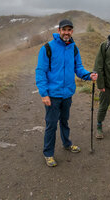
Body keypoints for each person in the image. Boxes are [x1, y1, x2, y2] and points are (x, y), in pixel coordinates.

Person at [35, 19, 98, 167]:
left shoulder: (73, 48)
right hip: (53, 95)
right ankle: (48, 153)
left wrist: (89, 75)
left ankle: (67, 144)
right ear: (59, 31)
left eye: (69, 30)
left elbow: (79, 68)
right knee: (51, 124)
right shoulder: (47, 48)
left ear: (72, 32)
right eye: (64, 30)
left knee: (64, 121)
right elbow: (40, 71)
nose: (66, 33)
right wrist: (44, 94)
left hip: (67, 94)